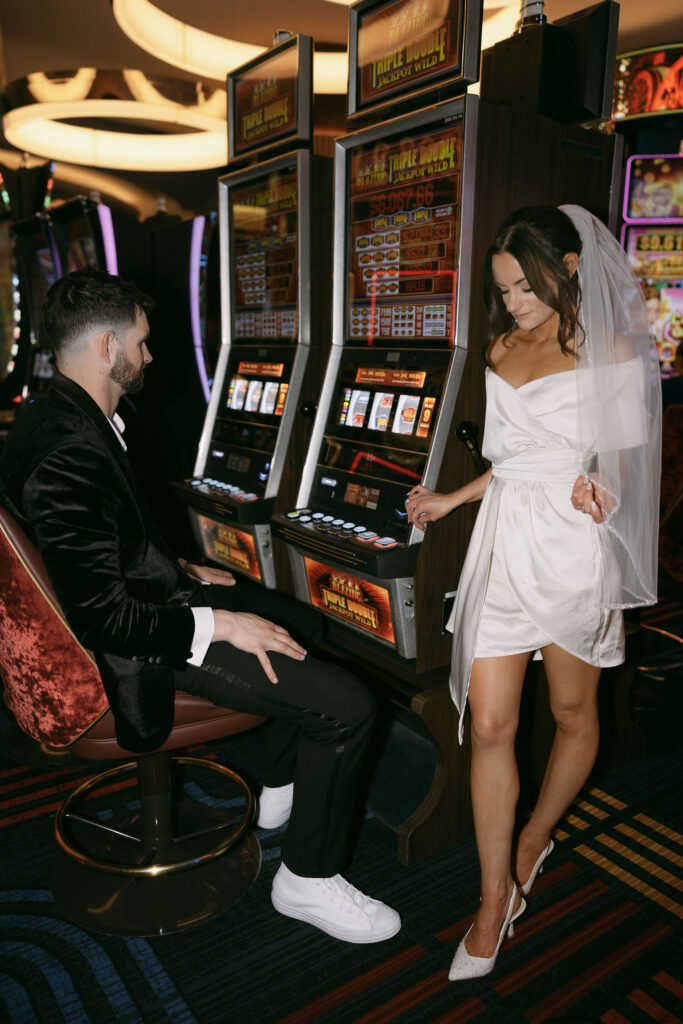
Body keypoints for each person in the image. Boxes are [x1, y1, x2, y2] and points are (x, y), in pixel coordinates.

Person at [0, 267, 401, 945]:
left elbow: (94, 548)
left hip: (141, 601)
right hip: (122, 651)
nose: (149, 355)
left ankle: (278, 778)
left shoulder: (58, 412)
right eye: (142, 341)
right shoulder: (69, 449)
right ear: (106, 348)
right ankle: (306, 879)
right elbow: (101, 617)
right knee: (349, 705)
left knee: (299, 621)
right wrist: (222, 623)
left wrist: (176, 568)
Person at [406, 205, 661, 980]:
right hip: (504, 540)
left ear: (569, 268)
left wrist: (602, 497)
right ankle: (492, 900)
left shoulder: (608, 350)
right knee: (487, 724)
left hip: (572, 547)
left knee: (570, 713)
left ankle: (533, 836)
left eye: (524, 284)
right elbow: (513, 459)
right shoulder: (498, 347)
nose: (513, 301)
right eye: (503, 288)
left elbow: (622, 471)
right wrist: (453, 500)